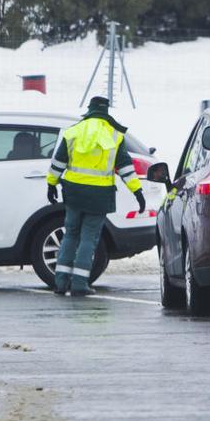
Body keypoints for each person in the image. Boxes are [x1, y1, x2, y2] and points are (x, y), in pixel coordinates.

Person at [46, 96, 145, 296]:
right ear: (105, 111)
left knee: (70, 234)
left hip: (73, 193)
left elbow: (58, 162)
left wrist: (51, 184)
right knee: (88, 238)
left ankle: (61, 283)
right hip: (99, 196)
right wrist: (138, 192)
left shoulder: (73, 131)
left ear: (90, 109)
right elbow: (126, 168)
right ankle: (80, 284)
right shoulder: (115, 135)